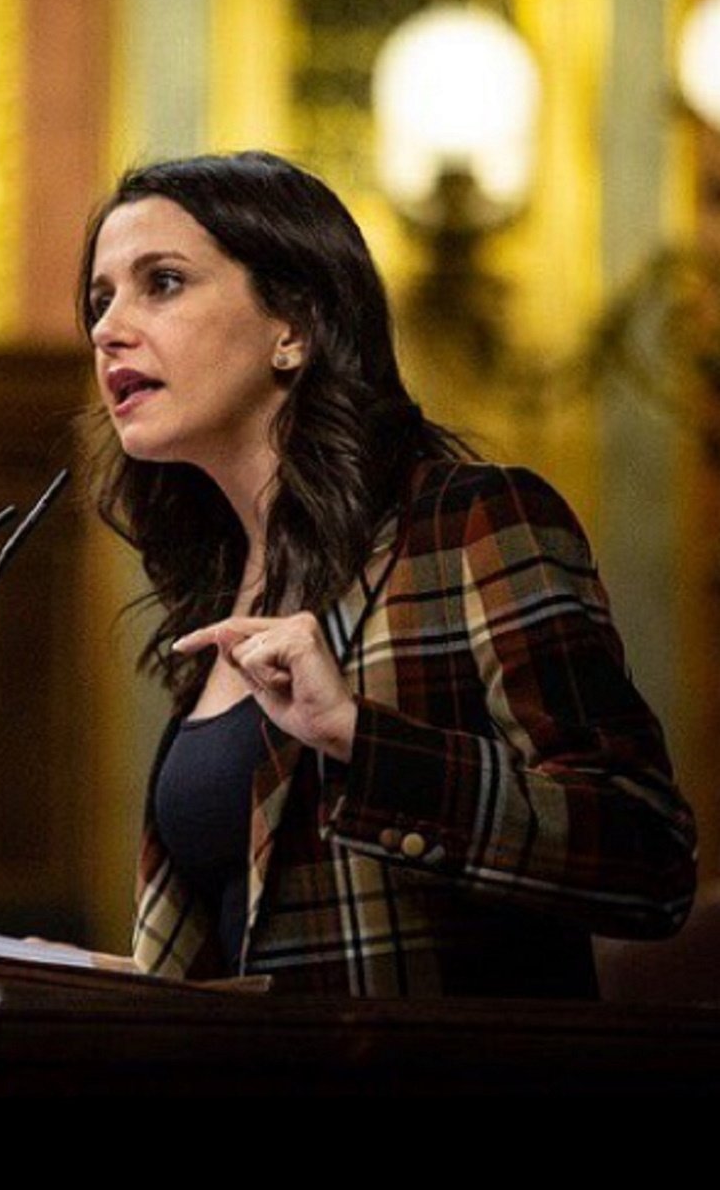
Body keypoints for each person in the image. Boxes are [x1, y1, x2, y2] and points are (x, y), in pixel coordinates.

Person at [78, 150, 697, 998]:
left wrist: (358, 739)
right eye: (98, 298)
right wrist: (78, 989)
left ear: (292, 325)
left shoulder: (467, 527)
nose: (108, 327)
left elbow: (643, 856)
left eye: (164, 282)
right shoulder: (219, 591)